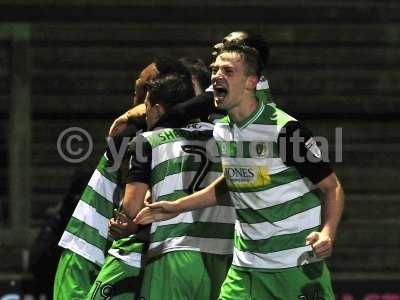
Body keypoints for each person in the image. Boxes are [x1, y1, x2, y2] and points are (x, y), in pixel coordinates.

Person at [135, 35, 345, 299]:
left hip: (294, 265)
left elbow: (332, 187)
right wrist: (177, 206)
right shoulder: (222, 128)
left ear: (251, 82)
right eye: (214, 70)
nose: (216, 76)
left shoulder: (285, 131)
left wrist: (327, 233)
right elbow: (232, 181)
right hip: (245, 268)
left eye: (227, 71)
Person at [118, 70, 235, 300]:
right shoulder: (229, 136)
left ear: (158, 109)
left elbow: (131, 209)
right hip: (226, 254)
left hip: (173, 249)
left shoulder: (149, 141)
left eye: (146, 105)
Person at [53, 62, 159, 300]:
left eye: (140, 92)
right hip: (89, 253)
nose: (135, 99)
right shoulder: (133, 139)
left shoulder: (150, 139)